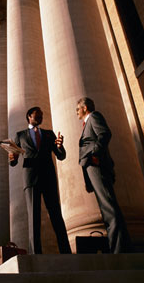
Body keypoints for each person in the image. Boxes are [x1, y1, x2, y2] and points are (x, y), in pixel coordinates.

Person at [9, 106, 71, 254]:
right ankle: (36, 253)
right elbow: (13, 161)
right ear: (29, 116)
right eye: (38, 115)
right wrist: (12, 158)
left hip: (48, 177)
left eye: (42, 115)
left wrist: (60, 146)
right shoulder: (20, 135)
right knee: (33, 216)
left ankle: (66, 251)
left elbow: (60, 155)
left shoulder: (49, 134)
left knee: (56, 214)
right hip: (30, 179)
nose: (41, 117)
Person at [77, 97, 132, 253]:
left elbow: (105, 133)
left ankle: (119, 249)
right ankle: (121, 246)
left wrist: (95, 153)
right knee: (107, 207)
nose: (76, 112)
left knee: (109, 207)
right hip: (93, 167)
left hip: (96, 165)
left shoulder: (94, 116)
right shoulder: (87, 122)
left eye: (78, 109)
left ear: (85, 108)